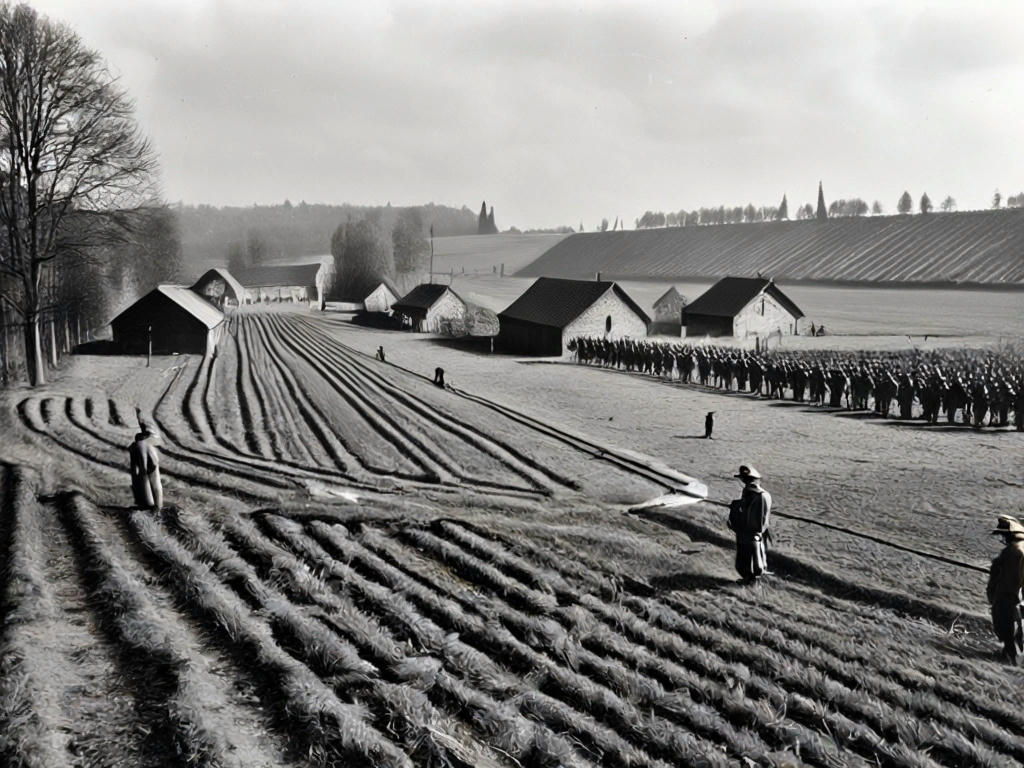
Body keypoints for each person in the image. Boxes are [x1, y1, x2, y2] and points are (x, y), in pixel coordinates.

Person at [987, 515, 1024, 664]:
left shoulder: (1011, 551)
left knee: (1006, 629)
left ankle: (1010, 660)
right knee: (1017, 632)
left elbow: (1001, 577)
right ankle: (1011, 658)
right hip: (1018, 598)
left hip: (1008, 596)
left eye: (1004, 534)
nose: (1003, 538)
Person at [727, 465, 772, 584]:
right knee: (755, 561)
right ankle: (752, 582)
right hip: (756, 534)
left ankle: (750, 583)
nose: (746, 482)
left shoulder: (753, 494)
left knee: (744, 564)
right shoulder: (763, 494)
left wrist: (735, 509)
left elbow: (748, 516)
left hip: (748, 534)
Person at [128, 426, 163, 511]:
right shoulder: (142, 444)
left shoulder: (136, 445)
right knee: (156, 487)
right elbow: (145, 459)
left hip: (148, 466)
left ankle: (156, 506)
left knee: (151, 486)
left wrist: (141, 471)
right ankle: (157, 506)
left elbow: (141, 460)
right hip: (150, 466)